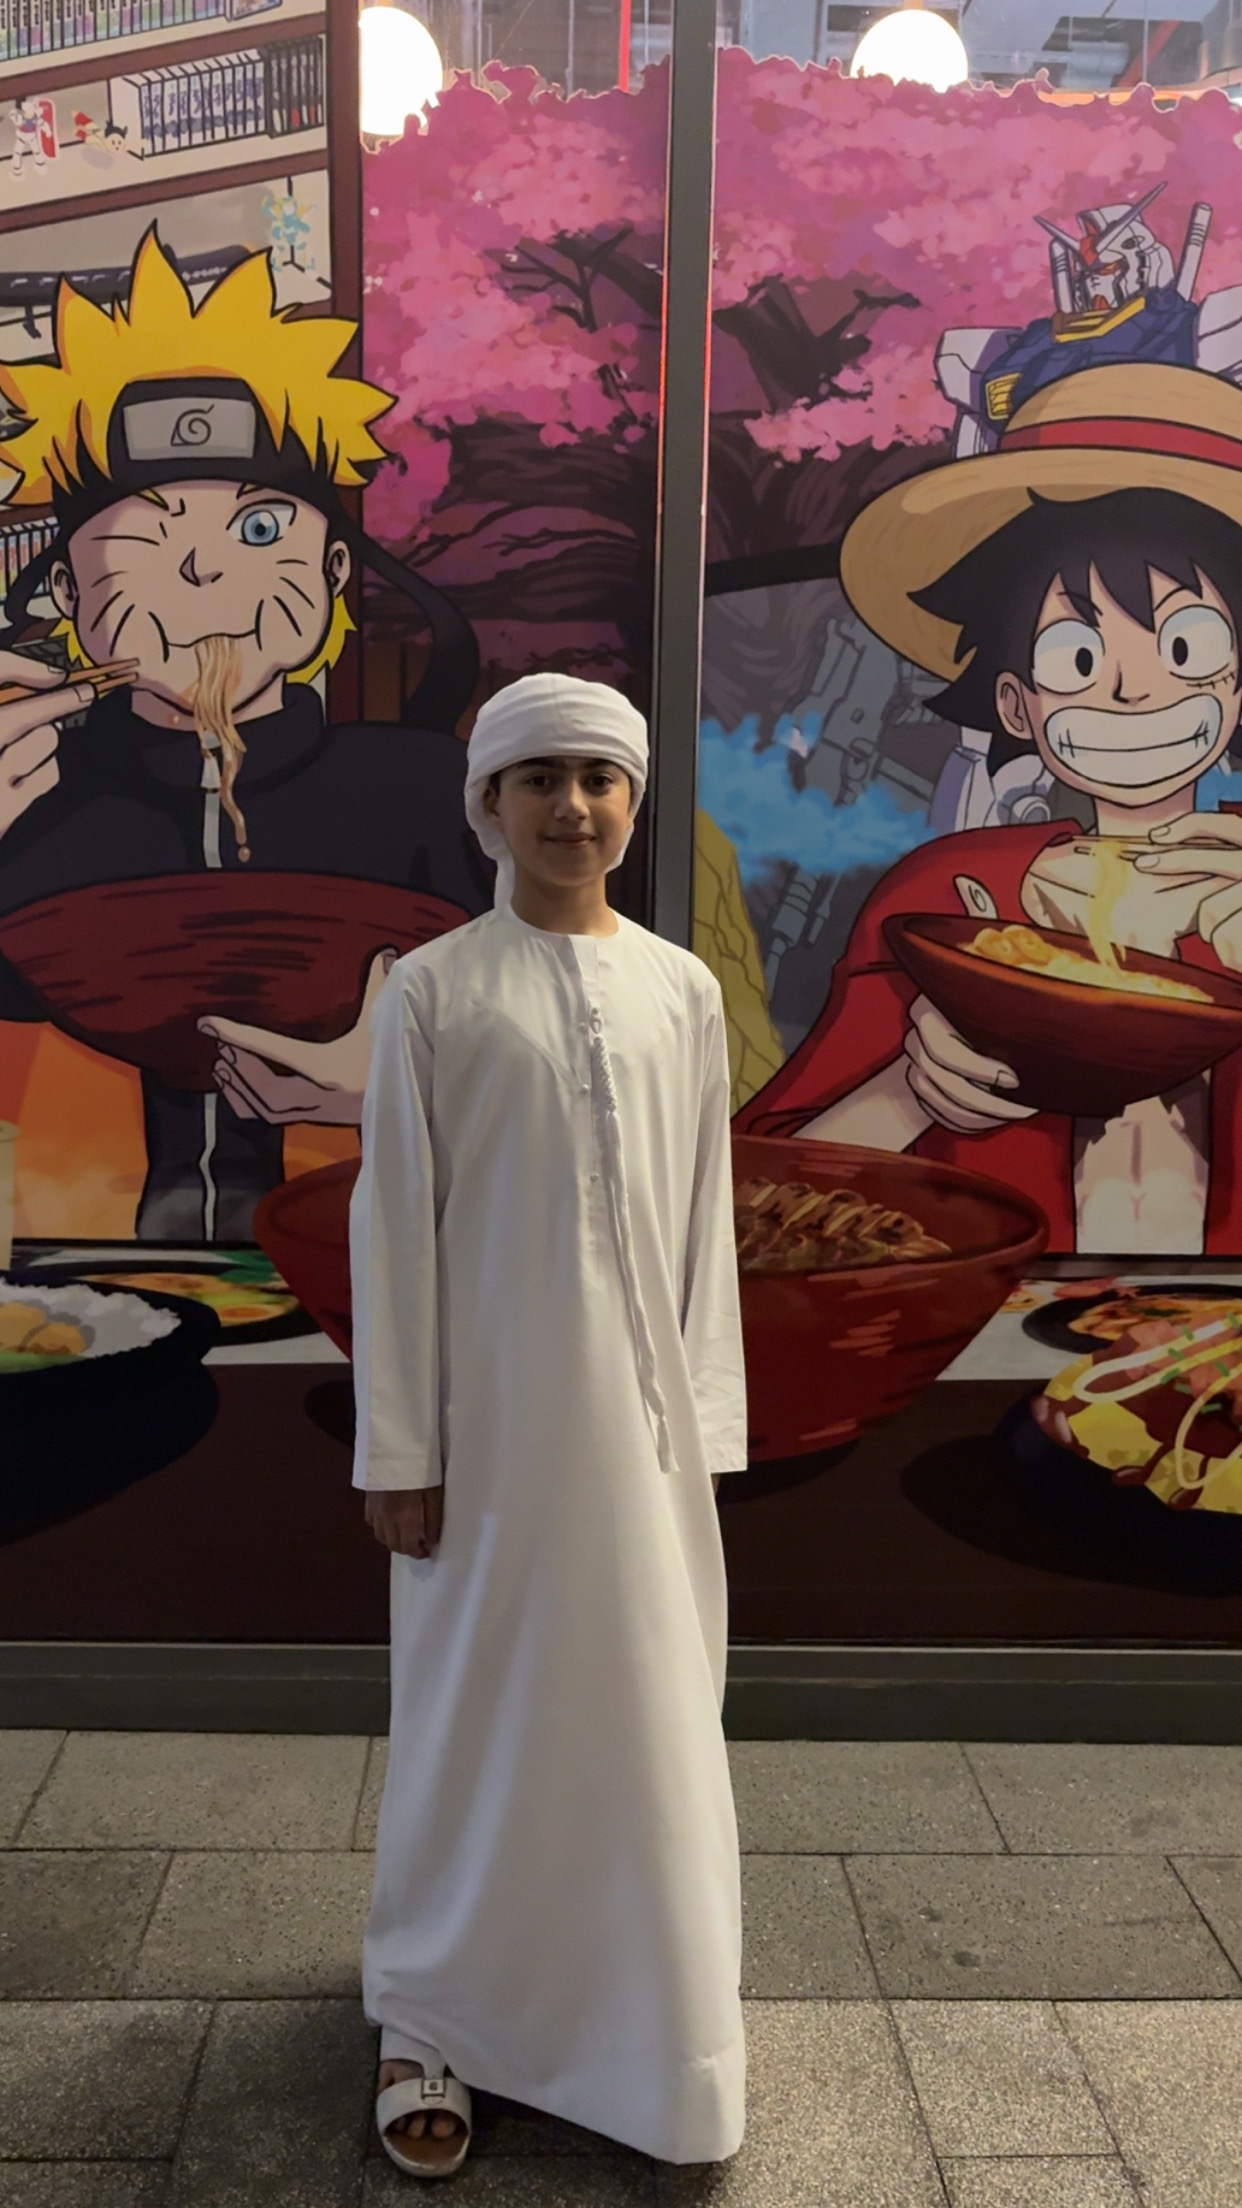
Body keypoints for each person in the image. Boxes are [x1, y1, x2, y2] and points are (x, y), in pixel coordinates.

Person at [350, 672, 748, 2177]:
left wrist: (705, 1421)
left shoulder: (682, 991)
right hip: (491, 1440)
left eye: (598, 779)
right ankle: (433, 2012)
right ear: (490, 804)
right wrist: (402, 1450)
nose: (571, 809)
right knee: (475, 1721)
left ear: (632, 803)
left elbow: (703, 1225)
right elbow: (396, 1235)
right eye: (540, 780)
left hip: (642, 1445)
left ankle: (653, 2024)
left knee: (646, 1718)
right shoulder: (432, 991)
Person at [0, 228, 488, 1241]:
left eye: (261, 529)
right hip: (73, 1273)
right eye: (145, 536)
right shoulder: (34, 796)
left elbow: (550, 1037)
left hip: (373, 1271)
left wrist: (403, 1092)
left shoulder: (425, 792)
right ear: (65, 594)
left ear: (337, 572)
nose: (204, 571)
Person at [740, 362, 1242, 1256]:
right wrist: (910, 1092)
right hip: (989, 1321)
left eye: (1184, 646)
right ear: (1016, 704)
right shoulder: (948, 896)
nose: (1132, 690)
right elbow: (762, 1201)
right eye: (1077, 658)